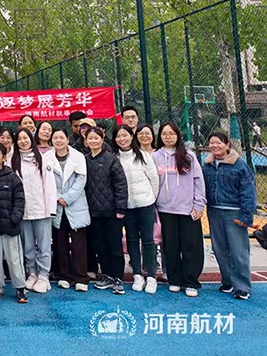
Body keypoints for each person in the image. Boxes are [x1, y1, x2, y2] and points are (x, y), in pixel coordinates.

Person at [153, 122, 206, 297]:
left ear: (178, 135)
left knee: (192, 247)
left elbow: (198, 181)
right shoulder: (155, 157)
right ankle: (175, 279)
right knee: (170, 247)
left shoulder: (189, 156)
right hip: (165, 209)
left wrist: (199, 205)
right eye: (164, 134)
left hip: (187, 209)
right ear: (160, 136)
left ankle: (191, 281)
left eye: (171, 133)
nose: (168, 137)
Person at [203, 132, 257, 300]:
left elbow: (248, 192)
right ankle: (227, 281)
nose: (215, 146)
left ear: (227, 145)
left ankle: (242, 287)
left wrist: (246, 216)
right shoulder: (207, 166)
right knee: (220, 250)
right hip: (214, 211)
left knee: (238, 251)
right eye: (212, 143)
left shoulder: (240, 166)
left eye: (218, 142)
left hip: (234, 212)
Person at [112, 125, 159, 294]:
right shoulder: (114, 158)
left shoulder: (144, 156)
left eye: (125, 135)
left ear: (132, 137)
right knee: (131, 240)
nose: (122, 139)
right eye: (119, 136)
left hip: (145, 204)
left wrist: (150, 198)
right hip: (127, 207)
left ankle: (151, 276)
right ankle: (137, 275)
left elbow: (154, 179)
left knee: (148, 240)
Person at [11, 128, 57, 294]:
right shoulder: (12, 161)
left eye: (26, 138)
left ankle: (44, 275)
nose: (23, 141)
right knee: (28, 245)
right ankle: (32, 272)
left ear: (32, 140)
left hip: (42, 210)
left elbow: (50, 186)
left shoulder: (42, 160)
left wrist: (51, 209)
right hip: (23, 211)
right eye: (20, 139)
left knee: (44, 245)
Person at [45, 129, 90, 292]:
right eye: (55, 138)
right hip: (56, 204)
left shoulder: (78, 156)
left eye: (61, 137)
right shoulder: (47, 157)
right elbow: (46, 180)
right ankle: (64, 276)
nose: (58, 140)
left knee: (79, 244)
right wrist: (58, 197)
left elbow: (81, 179)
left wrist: (68, 198)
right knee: (60, 242)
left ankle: (81, 277)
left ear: (67, 139)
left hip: (75, 204)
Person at [84, 127, 128, 295]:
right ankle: (107, 275)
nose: (93, 141)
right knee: (100, 246)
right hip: (93, 213)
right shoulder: (85, 160)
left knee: (114, 245)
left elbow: (121, 184)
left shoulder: (111, 159)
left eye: (96, 138)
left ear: (102, 140)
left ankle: (117, 278)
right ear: (86, 141)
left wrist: (120, 208)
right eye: (90, 138)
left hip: (112, 212)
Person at [0, 142, 27, 303]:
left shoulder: (12, 177)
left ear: (4, 157)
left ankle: (20, 288)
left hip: (10, 226)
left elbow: (20, 200)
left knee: (14, 259)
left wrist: (15, 219)